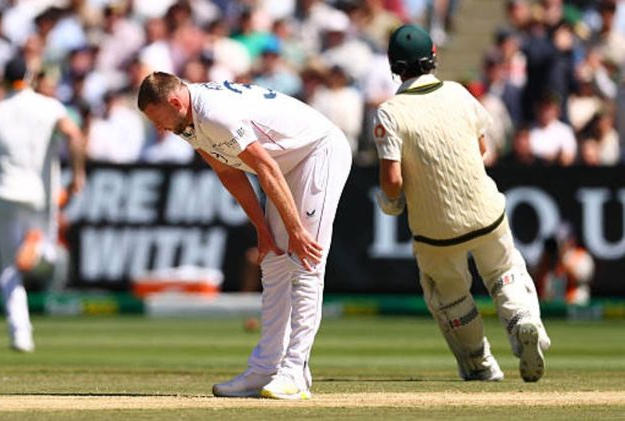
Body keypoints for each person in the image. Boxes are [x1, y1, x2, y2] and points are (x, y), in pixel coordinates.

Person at [138, 72, 351, 400]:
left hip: (318, 151)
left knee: (305, 259)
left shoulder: (214, 113)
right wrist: (262, 230)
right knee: (274, 262)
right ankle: (265, 368)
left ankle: (295, 371)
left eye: (158, 119)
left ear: (175, 103)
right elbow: (228, 172)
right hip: (284, 166)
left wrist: (295, 229)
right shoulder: (186, 121)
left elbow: (264, 167)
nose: (159, 128)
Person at [372, 24, 551, 383]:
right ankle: (522, 321)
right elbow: (483, 148)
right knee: (504, 271)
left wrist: (391, 202)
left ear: (394, 66)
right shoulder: (458, 93)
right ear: (433, 57)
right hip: (485, 211)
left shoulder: (389, 112)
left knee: (449, 295)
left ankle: (480, 363)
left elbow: (392, 180)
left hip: (435, 228)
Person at [0, 57, 86, 352]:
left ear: (3, 80)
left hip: (5, 193)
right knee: (49, 257)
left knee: (9, 270)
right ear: (30, 77)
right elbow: (74, 135)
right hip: (40, 197)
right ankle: (37, 251)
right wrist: (78, 174)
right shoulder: (49, 107)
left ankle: (20, 333)